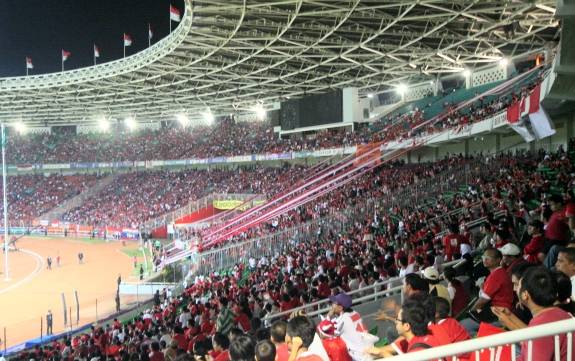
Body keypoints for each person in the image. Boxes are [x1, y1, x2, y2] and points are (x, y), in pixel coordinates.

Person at [461, 248, 513, 335]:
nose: (485, 260)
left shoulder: (496, 275)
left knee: (462, 326)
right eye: (484, 257)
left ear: (498, 260)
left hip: (498, 314)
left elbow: (481, 302)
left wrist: (470, 313)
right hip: (499, 311)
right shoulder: (498, 272)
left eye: (488, 258)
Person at [326, 293, 376, 361]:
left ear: (340, 307)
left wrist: (328, 316)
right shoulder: (355, 313)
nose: (332, 305)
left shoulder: (343, 319)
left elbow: (325, 331)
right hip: (369, 350)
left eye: (334, 303)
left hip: (360, 356)